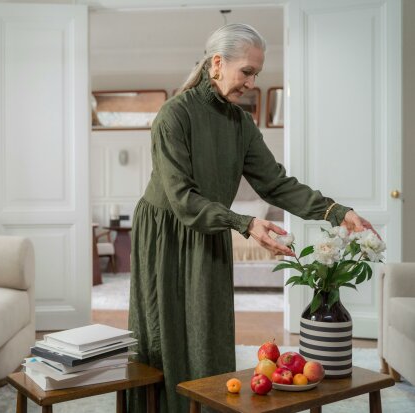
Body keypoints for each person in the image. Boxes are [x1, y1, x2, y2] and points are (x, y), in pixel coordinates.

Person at [127, 23, 377, 413]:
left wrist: (338, 212)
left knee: (209, 335)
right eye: (246, 71)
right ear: (216, 64)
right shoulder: (172, 116)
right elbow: (181, 199)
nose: (251, 81)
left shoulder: (239, 123)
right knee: (165, 337)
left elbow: (275, 183)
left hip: (210, 230)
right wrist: (245, 223)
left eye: (256, 73)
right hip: (167, 234)